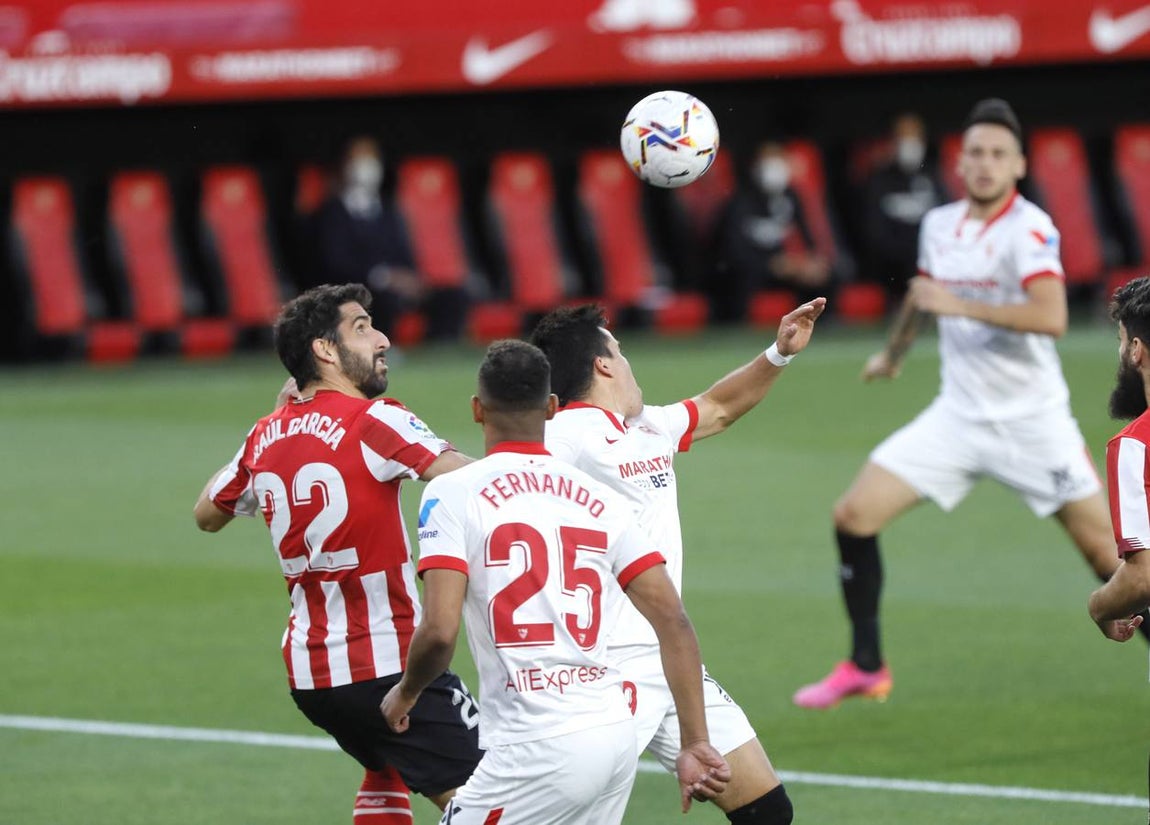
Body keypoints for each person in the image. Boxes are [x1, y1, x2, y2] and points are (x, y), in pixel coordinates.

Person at [792, 97, 1141, 710]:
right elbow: (924, 296)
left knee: (1115, 563)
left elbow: (1051, 316)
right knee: (853, 515)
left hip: (1033, 424)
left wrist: (963, 305)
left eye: (997, 154)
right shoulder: (940, 224)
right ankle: (867, 664)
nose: (983, 164)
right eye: (974, 152)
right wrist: (894, 354)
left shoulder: (1029, 229)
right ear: (960, 162)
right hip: (957, 417)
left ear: (1019, 165)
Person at [381, 339, 731, 824]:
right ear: (550, 408)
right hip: (613, 731)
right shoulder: (600, 497)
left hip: (533, 743)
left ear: (478, 410)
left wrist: (406, 692)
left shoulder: (453, 492)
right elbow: (673, 621)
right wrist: (694, 742)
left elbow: (440, 633)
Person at [529, 297, 826, 824]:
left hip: (670, 661)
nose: (626, 361)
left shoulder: (646, 427)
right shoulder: (562, 437)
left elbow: (717, 408)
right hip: (604, 669)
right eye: (619, 351)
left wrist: (778, 354)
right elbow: (509, 482)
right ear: (603, 364)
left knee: (766, 811)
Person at [192, 283, 482, 823]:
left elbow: (206, 513)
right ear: (325, 351)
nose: (384, 339)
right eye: (363, 327)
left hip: (312, 678)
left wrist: (273, 415)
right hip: (388, 668)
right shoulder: (374, 420)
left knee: (386, 766)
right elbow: (476, 479)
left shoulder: (264, 436)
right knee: (498, 802)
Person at [312, 136, 469, 341]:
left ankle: (439, 348)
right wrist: (383, 277)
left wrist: (410, 277)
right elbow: (336, 262)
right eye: (358, 159)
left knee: (451, 295)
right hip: (361, 287)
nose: (366, 167)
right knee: (382, 300)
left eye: (371, 159)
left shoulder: (388, 210)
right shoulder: (332, 212)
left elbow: (403, 251)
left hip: (398, 284)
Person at [1088, 276, 1150, 643]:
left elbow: (1142, 578)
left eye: (1121, 340)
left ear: (1136, 350)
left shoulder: (1135, 446)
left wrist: (1099, 607)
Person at [713, 141, 831, 321]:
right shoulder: (740, 201)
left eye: (779, 160)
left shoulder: (791, 196)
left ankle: (818, 327)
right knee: (741, 279)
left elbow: (806, 236)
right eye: (768, 160)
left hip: (784, 267)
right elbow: (733, 251)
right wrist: (771, 264)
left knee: (824, 276)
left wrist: (809, 262)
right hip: (748, 268)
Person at [859, 113, 944, 299]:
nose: (910, 145)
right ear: (893, 142)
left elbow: (947, 220)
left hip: (932, 258)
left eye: (915, 138)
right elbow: (875, 232)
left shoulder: (932, 175)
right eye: (904, 138)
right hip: (894, 265)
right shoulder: (880, 179)